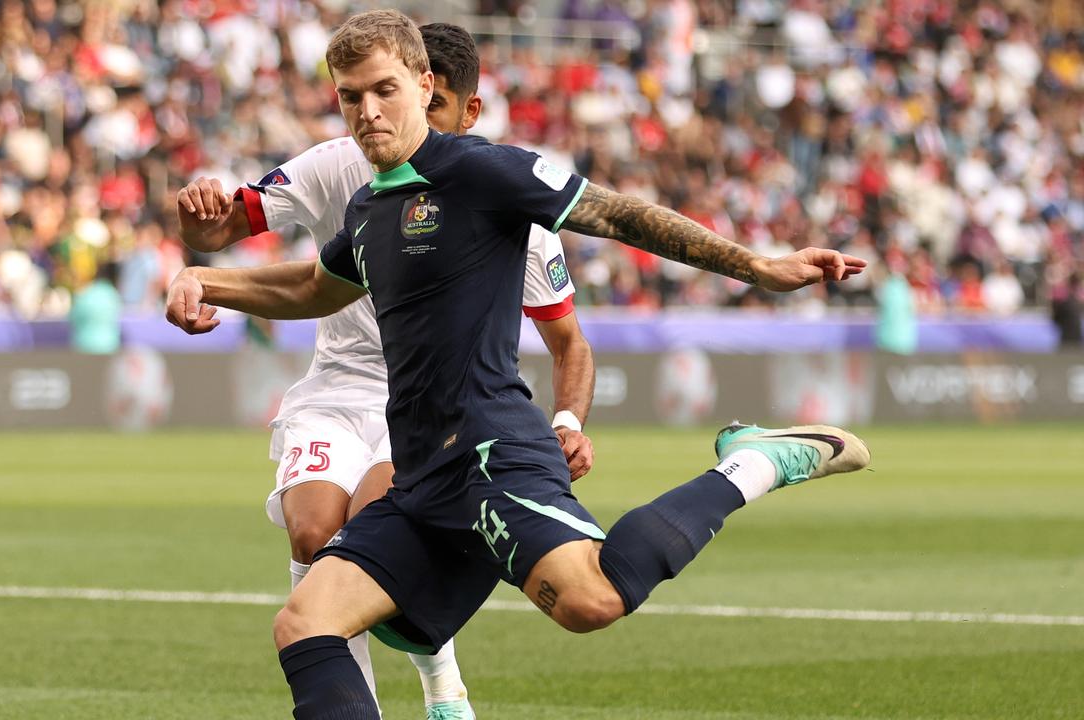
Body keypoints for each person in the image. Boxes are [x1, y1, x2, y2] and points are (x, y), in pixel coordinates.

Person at [165, 11, 871, 720]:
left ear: (422, 82)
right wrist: (203, 281)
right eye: (351, 96)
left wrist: (756, 265)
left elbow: (618, 215)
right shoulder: (368, 205)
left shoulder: (483, 170)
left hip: (489, 451)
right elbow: (314, 289)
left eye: (383, 89)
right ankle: (442, 687)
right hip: (420, 478)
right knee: (304, 621)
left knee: (592, 599)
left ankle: (753, 464)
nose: (367, 110)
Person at [174, 23, 597, 720]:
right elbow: (222, 233)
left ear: (464, 111)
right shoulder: (336, 165)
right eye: (366, 96)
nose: (397, 121)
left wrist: (567, 419)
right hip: (337, 389)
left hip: (435, 409)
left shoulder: (505, 207)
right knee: (313, 533)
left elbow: (568, 343)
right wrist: (198, 228)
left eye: (428, 106)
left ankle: (440, 680)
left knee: (374, 529)